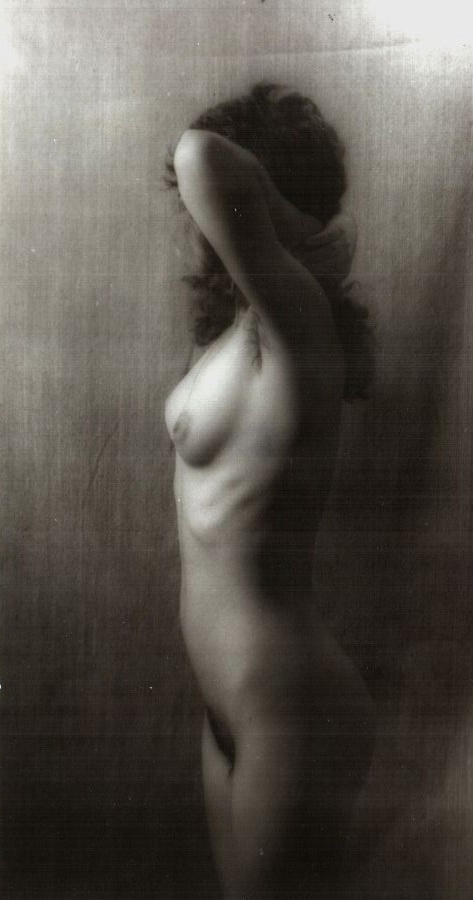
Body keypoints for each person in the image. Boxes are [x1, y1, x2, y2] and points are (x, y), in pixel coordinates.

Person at [164, 83, 375, 899]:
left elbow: (199, 156)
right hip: (229, 707)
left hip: (290, 708)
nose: (196, 220)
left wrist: (309, 234)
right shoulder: (239, 331)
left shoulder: (298, 327)